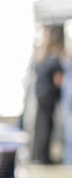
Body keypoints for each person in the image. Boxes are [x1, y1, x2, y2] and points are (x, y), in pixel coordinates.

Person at [33, 26, 63, 164]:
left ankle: (39, 155)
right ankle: (44, 157)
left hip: (40, 94)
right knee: (47, 125)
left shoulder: (41, 57)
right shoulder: (54, 59)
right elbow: (58, 81)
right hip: (49, 95)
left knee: (41, 125)